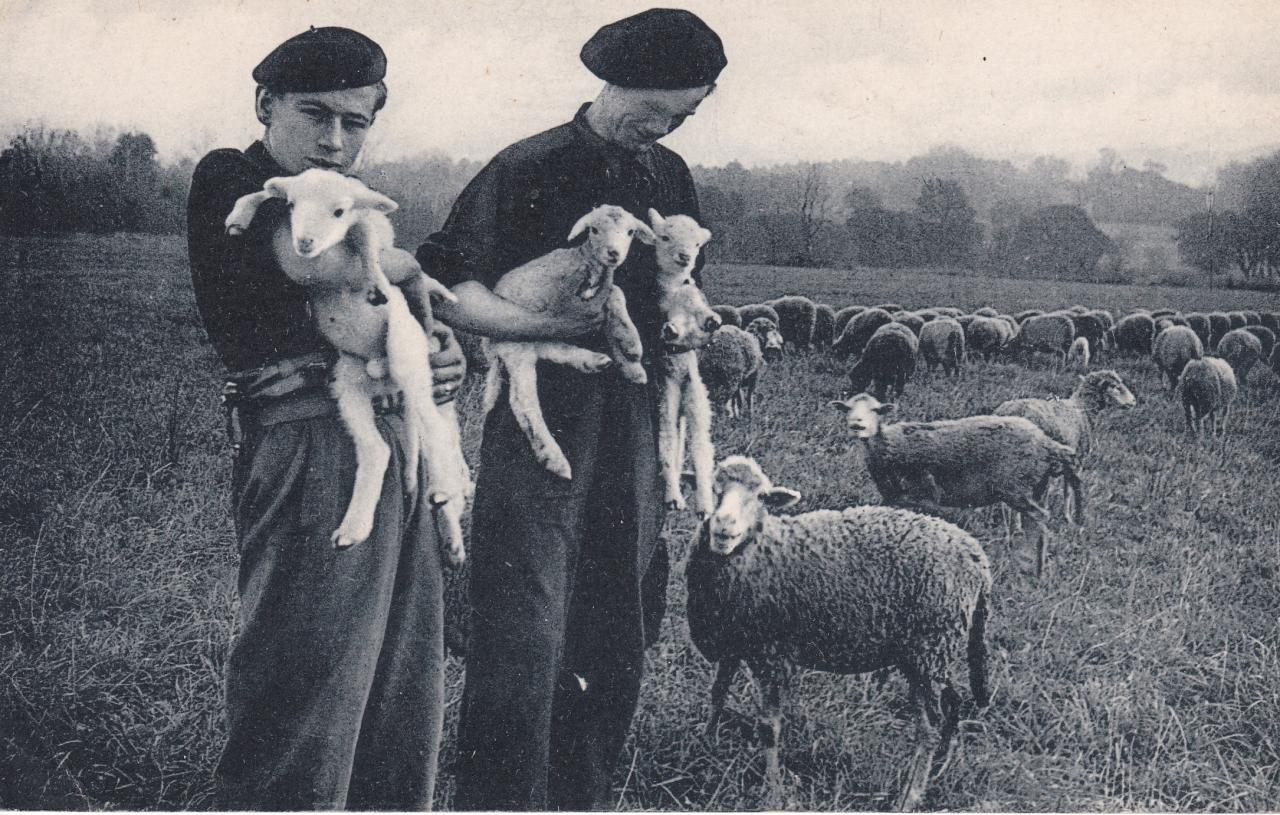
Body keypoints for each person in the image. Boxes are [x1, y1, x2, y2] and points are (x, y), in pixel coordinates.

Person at [419, 8, 726, 809]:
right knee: (525, 627)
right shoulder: (527, 167)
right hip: (543, 421)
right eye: (657, 109)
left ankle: (580, 798)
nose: (663, 128)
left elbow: (675, 285)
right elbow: (449, 288)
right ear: (617, 80)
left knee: (615, 628)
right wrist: (547, 324)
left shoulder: (670, 178)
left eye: (683, 116)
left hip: (631, 426)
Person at [186, 26, 464, 810]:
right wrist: (409, 271)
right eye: (317, 114)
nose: (335, 140)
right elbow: (314, 260)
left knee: (402, 691)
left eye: (356, 121)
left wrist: (444, 357)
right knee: (304, 691)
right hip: (311, 439)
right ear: (266, 104)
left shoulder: (343, 202)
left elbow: (403, 319)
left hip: (395, 440)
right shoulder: (232, 179)